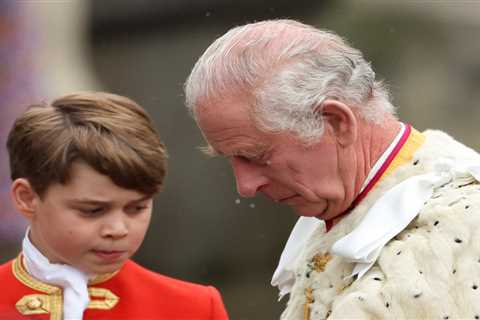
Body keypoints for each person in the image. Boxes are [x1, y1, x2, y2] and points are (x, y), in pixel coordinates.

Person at [184, 19, 480, 320]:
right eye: (229, 158)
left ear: (336, 122)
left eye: (255, 156)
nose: (245, 186)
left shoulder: (462, 225)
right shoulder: (344, 203)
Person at [0, 92, 229, 320]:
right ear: (27, 198)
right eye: (93, 210)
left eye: (137, 208)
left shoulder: (192, 308)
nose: (118, 229)